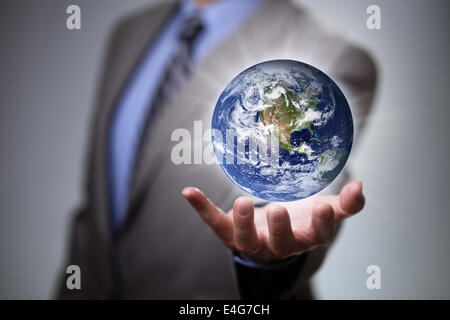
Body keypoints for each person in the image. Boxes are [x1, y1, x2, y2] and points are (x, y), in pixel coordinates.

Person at [57, 0, 376, 299]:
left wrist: (270, 262)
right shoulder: (128, 34)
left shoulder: (329, 57)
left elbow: (312, 191)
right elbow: (96, 209)